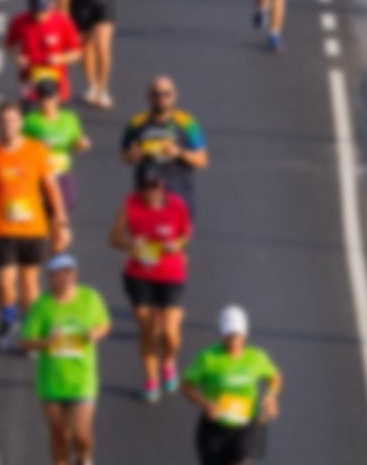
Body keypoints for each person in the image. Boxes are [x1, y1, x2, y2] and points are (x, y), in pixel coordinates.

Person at [0, 102, 70, 351]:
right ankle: (8, 318)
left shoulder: (36, 150)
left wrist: (60, 217)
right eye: (3, 121)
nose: (8, 126)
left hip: (33, 229)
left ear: (20, 123)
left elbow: (51, 185)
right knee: (5, 282)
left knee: (30, 285)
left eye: (13, 121)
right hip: (3, 228)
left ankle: (31, 330)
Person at [109, 160, 192, 402]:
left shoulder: (176, 205)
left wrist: (175, 245)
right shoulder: (129, 205)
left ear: (162, 184)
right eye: (145, 186)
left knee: (169, 333)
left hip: (170, 274)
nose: (150, 190)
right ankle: (151, 377)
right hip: (139, 274)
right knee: (146, 330)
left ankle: (168, 361)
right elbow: (113, 238)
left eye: (155, 185)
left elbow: (185, 236)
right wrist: (128, 244)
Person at [20, 253, 110, 465]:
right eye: (59, 274)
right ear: (49, 277)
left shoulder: (90, 298)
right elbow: (25, 342)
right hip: (51, 382)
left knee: (81, 434)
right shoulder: (42, 306)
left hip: (82, 380)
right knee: (58, 433)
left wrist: (96, 333)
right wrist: (46, 342)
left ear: (75, 274)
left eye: (69, 272)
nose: (65, 278)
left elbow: (104, 324)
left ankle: (83, 457)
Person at [181, 306, 283, 465]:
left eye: (238, 336)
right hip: (213, 429)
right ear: (222, 335)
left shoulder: (256, 357)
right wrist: (205, 404)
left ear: (245, 335)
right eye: (229, 336)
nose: (234, 342)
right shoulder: (208, 357)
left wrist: (271, 395)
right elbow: (186, 385)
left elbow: (274, 376)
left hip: (245, 427)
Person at [121, 76, 209, 215]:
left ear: (175, 96)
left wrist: (179, 153)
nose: (161, 98)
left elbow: (202, 160)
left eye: (166, 94)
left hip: (178, 200)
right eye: (156, 94)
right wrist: (132, 156)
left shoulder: (187, 123)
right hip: (146, 200)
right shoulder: (136, 123)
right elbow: (125, 156)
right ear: (148, 97)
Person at [3, 0, 82, 105]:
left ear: (50, 6)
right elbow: (9, 45)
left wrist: (61, 58)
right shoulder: (19, 22)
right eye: (36, 11)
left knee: (54, 119)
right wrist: (17, 57)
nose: (39, 15)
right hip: (28, 79)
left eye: (43, 10)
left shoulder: (63, 22)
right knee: (28, 116)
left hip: (56, 81)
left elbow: (77, 53)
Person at [23, 78, 90, 211]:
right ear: (37, 100)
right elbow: (19, 146)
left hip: (62, 174)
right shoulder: (30, 121)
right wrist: (37, 147)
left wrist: (82, 144)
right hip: (39, 175)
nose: (46, 102)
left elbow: (76, 143)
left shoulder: (69, 119)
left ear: (58, 98)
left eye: (50, 97)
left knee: (65, 209)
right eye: (42, 97)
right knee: (43, 212)